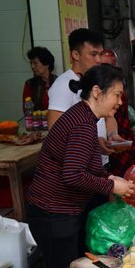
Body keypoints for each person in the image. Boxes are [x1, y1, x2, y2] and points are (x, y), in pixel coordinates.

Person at [26, 65, 135, 268]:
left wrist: (108, 180)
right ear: (97, 92)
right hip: (52, 212)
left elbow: (86, 166)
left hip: (60, 211)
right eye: (116, 95)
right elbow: (72, 175)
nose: (119, 103)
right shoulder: (81, 125)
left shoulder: (84, 118)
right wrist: (110, 183)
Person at [47, 29, 123, 167]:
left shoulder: (96, 80)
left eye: (100, 54)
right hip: (78, 168)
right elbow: (55, 134)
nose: (99, 60)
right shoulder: (63, 85)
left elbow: (108, 115)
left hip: (99, 162)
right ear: (75, 54)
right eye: (93, 54)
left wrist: (112, 134)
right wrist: (94, 142)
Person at [101, 49, 135, 177]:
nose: (120, 102)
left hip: (119, 140)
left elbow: (110, 117)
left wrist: (112, 133)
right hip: (116, 142)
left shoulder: (113, 85)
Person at [23, 46, 57, 111]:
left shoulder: (58, 81)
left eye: (35, 63)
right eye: (31, 63)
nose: (32, 67)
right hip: (38, 120)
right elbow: (27, 111)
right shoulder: (30, 84)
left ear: (46, 64)